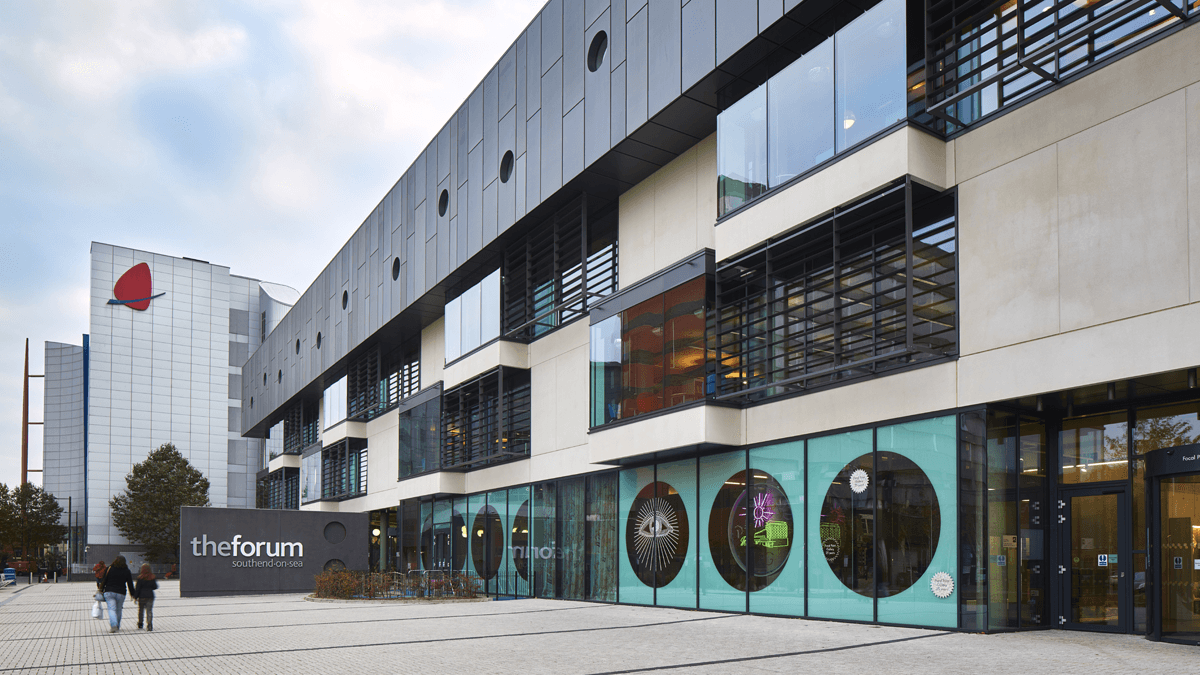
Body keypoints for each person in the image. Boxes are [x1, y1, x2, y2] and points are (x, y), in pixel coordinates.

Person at [99, 556, 136, 633]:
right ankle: (117, 626)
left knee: (111, 609)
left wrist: (100, 590)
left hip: (109, 592)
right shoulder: (126, 570)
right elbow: (130, 583)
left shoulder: (109, 568)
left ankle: (113, 625)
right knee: (119, 610)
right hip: (121, 593)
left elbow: (104, 580)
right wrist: (133, 594)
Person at [134, 563, 157, 631]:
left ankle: (140, 623)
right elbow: (155, 587)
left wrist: (135, 596)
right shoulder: (152, 577)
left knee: (141, 610)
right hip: (150, 596)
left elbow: (137, 588)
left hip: (141, 596)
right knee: (149, 610)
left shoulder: (140, 578)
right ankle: (149, 624)